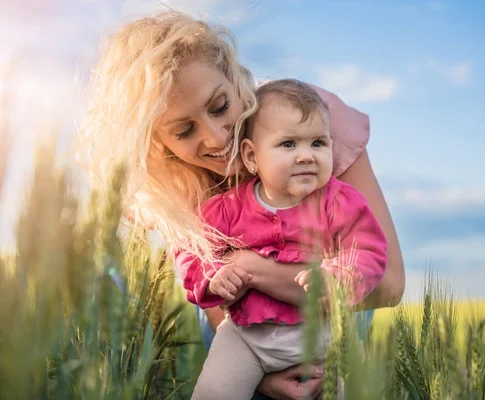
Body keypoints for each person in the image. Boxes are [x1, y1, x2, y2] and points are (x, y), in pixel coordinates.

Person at [80, 10, 405, 400]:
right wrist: (259, 374)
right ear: (157, 143)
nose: (217, 139)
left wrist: (254, 270)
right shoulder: (174, 184)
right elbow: (211, 299)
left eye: (219, 106)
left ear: (234, 78)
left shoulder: (306, 121)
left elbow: (388, 284)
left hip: (330, 330)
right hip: (244, 342)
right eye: (184, 131)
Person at [175, 79, 387, 399]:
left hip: (325, 335)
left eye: (318, 143)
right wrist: (213, 275)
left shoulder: (340, 201)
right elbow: (191, 250)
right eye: (288, 144)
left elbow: (370, 249)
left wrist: (342, 275)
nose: (306, 156)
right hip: (247, 337)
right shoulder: (226, 209)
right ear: (251, 157)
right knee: (213, 392)